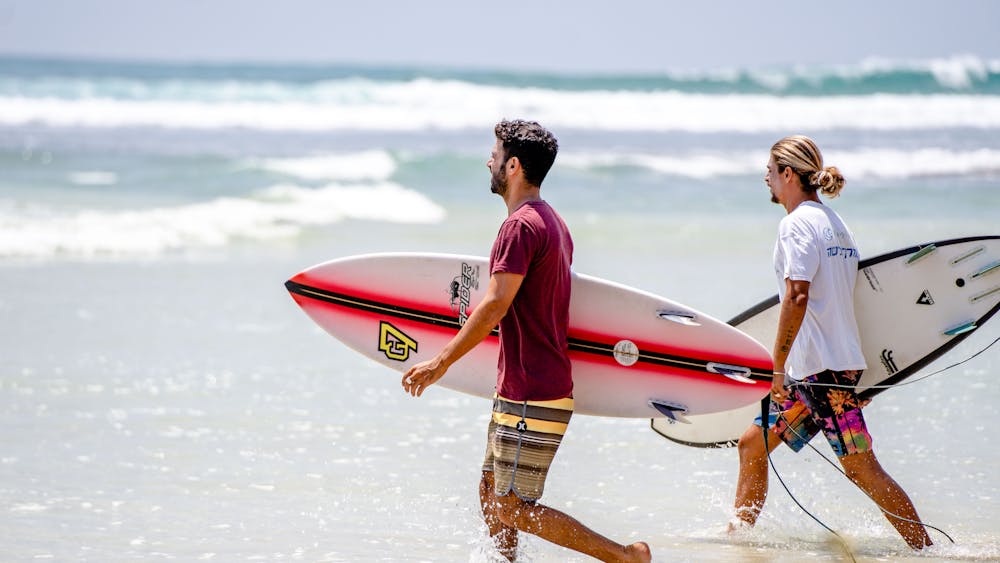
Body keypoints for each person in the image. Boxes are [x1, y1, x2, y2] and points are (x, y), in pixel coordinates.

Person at [402, 119, 651, 563]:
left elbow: (495, 305)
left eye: (495, 155)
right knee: (490, 490)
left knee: (512, 507)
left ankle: (624, 557)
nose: (489, 161)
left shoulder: (519, 227)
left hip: (533, 390)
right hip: (521, 386)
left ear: (513, 165)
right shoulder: (552, 221)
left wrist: (440, 364)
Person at [730, 135, 932, 550]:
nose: (765, 178)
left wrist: (777, 365)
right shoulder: (836, 224)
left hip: (819, 372)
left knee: (860, 466)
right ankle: (740, 541)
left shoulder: (796, 224)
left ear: (788, 174)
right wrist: (861, 373)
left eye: (770, 170)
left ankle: (928, 550)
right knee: (753, 444)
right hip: (825, 370)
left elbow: (797, 296)